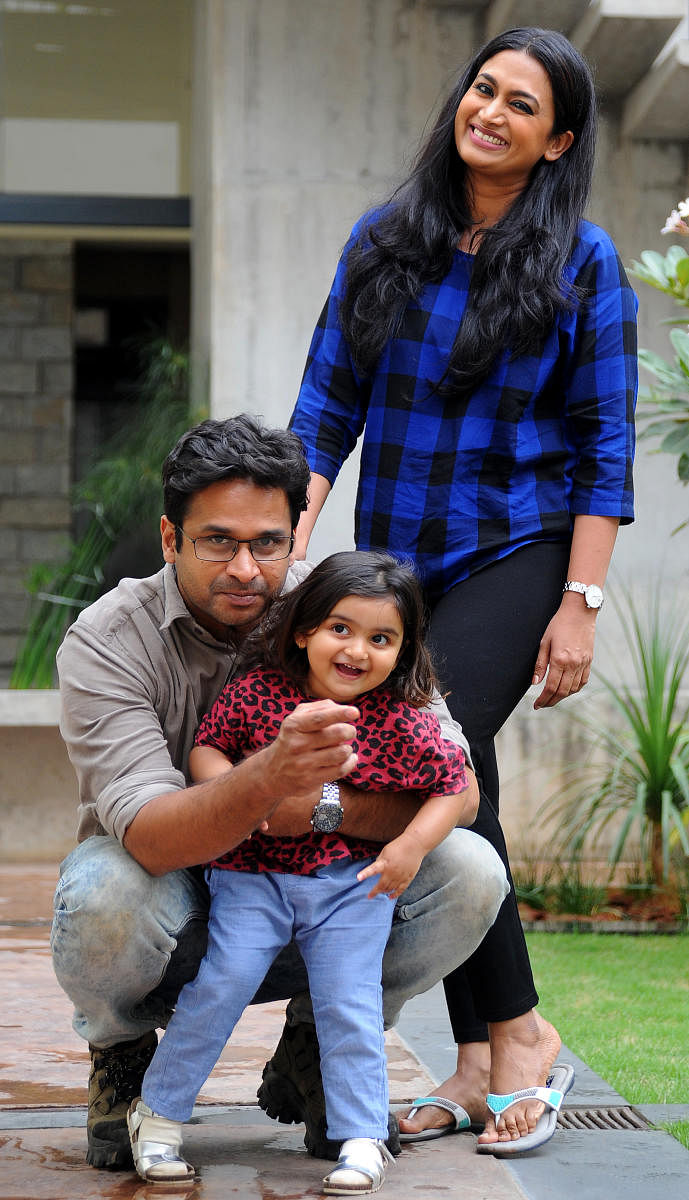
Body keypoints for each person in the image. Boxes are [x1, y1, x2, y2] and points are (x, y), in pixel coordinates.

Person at [288, 26, 637, 1153]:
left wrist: (576, 604)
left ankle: (520, 1036)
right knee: (448, 766)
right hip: (398, 564)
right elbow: (321, 410)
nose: (487, 111)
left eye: (518, 104)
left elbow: (604, 447)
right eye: (480, 89)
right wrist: (291, 547)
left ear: (555, 140)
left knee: (439, 742)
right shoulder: (383, 242)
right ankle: (483, 1056)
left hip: (515, 547)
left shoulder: (582, 263)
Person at [52, 413, 509, 1171]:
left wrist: (321, 807)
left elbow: (456, 782)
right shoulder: (108, 641)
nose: (244, 569)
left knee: (469, 869)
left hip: (328, 893)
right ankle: (122, 1051)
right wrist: (268, 779)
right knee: (101, 890)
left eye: (267, 543)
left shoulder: (346, 608)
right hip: (174, 895)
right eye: (217, 542)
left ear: (296, 534)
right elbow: (150, 836)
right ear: (170, 539)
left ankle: (316, 1046)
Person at [126, 550, 475, 1193]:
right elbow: (208, 746)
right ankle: (159, 1116)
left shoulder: (405, 721)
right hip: (252, 876)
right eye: (340, 628)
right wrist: (236, 794)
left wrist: (412, 847)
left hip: (351, 884)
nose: (357, 650)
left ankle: (363, 1136)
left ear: (404, 650)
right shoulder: (260, 694)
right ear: (303, 630)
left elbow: (453, 788)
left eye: (381, 638)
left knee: (350, 1002)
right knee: (221, 984)